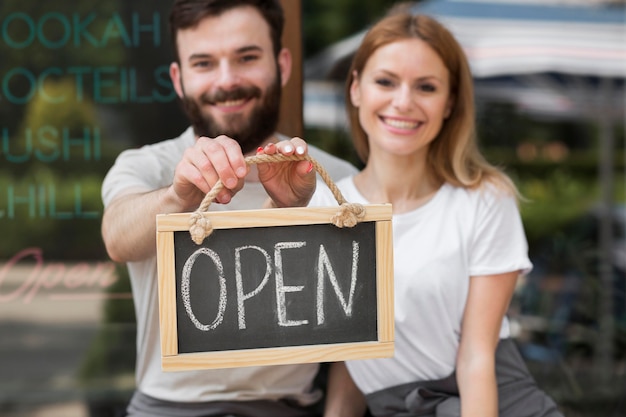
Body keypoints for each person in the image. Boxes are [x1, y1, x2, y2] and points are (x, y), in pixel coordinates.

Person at [100, 1, 357, 416]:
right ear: (179, 79)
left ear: (283, 64)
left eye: (247, 57)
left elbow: (357, 330)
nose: (227, 81)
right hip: (169, 408)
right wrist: (178, 196)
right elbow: (117, 237)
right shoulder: (147, 167)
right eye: (204, 63)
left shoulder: (336, 178)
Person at [314, 7, 565, 417]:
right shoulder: (327, 207)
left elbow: (476, 357)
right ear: (356, 88)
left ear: (449, 103)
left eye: (426, 87)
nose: (403, 101)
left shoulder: (485, 200)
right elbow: (349, 351)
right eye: (386, 81)